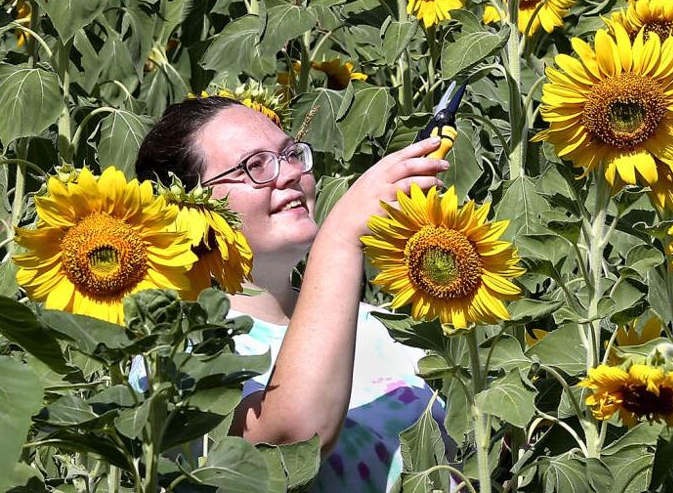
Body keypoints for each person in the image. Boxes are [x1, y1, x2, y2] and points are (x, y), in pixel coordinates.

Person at [134, 95, 453, 492]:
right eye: (254, 165)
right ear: (187, 207)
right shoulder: (175, 353)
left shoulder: (385, 328)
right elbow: (288, 445)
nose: (289, 173)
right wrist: (340, 237)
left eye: (290, 154)